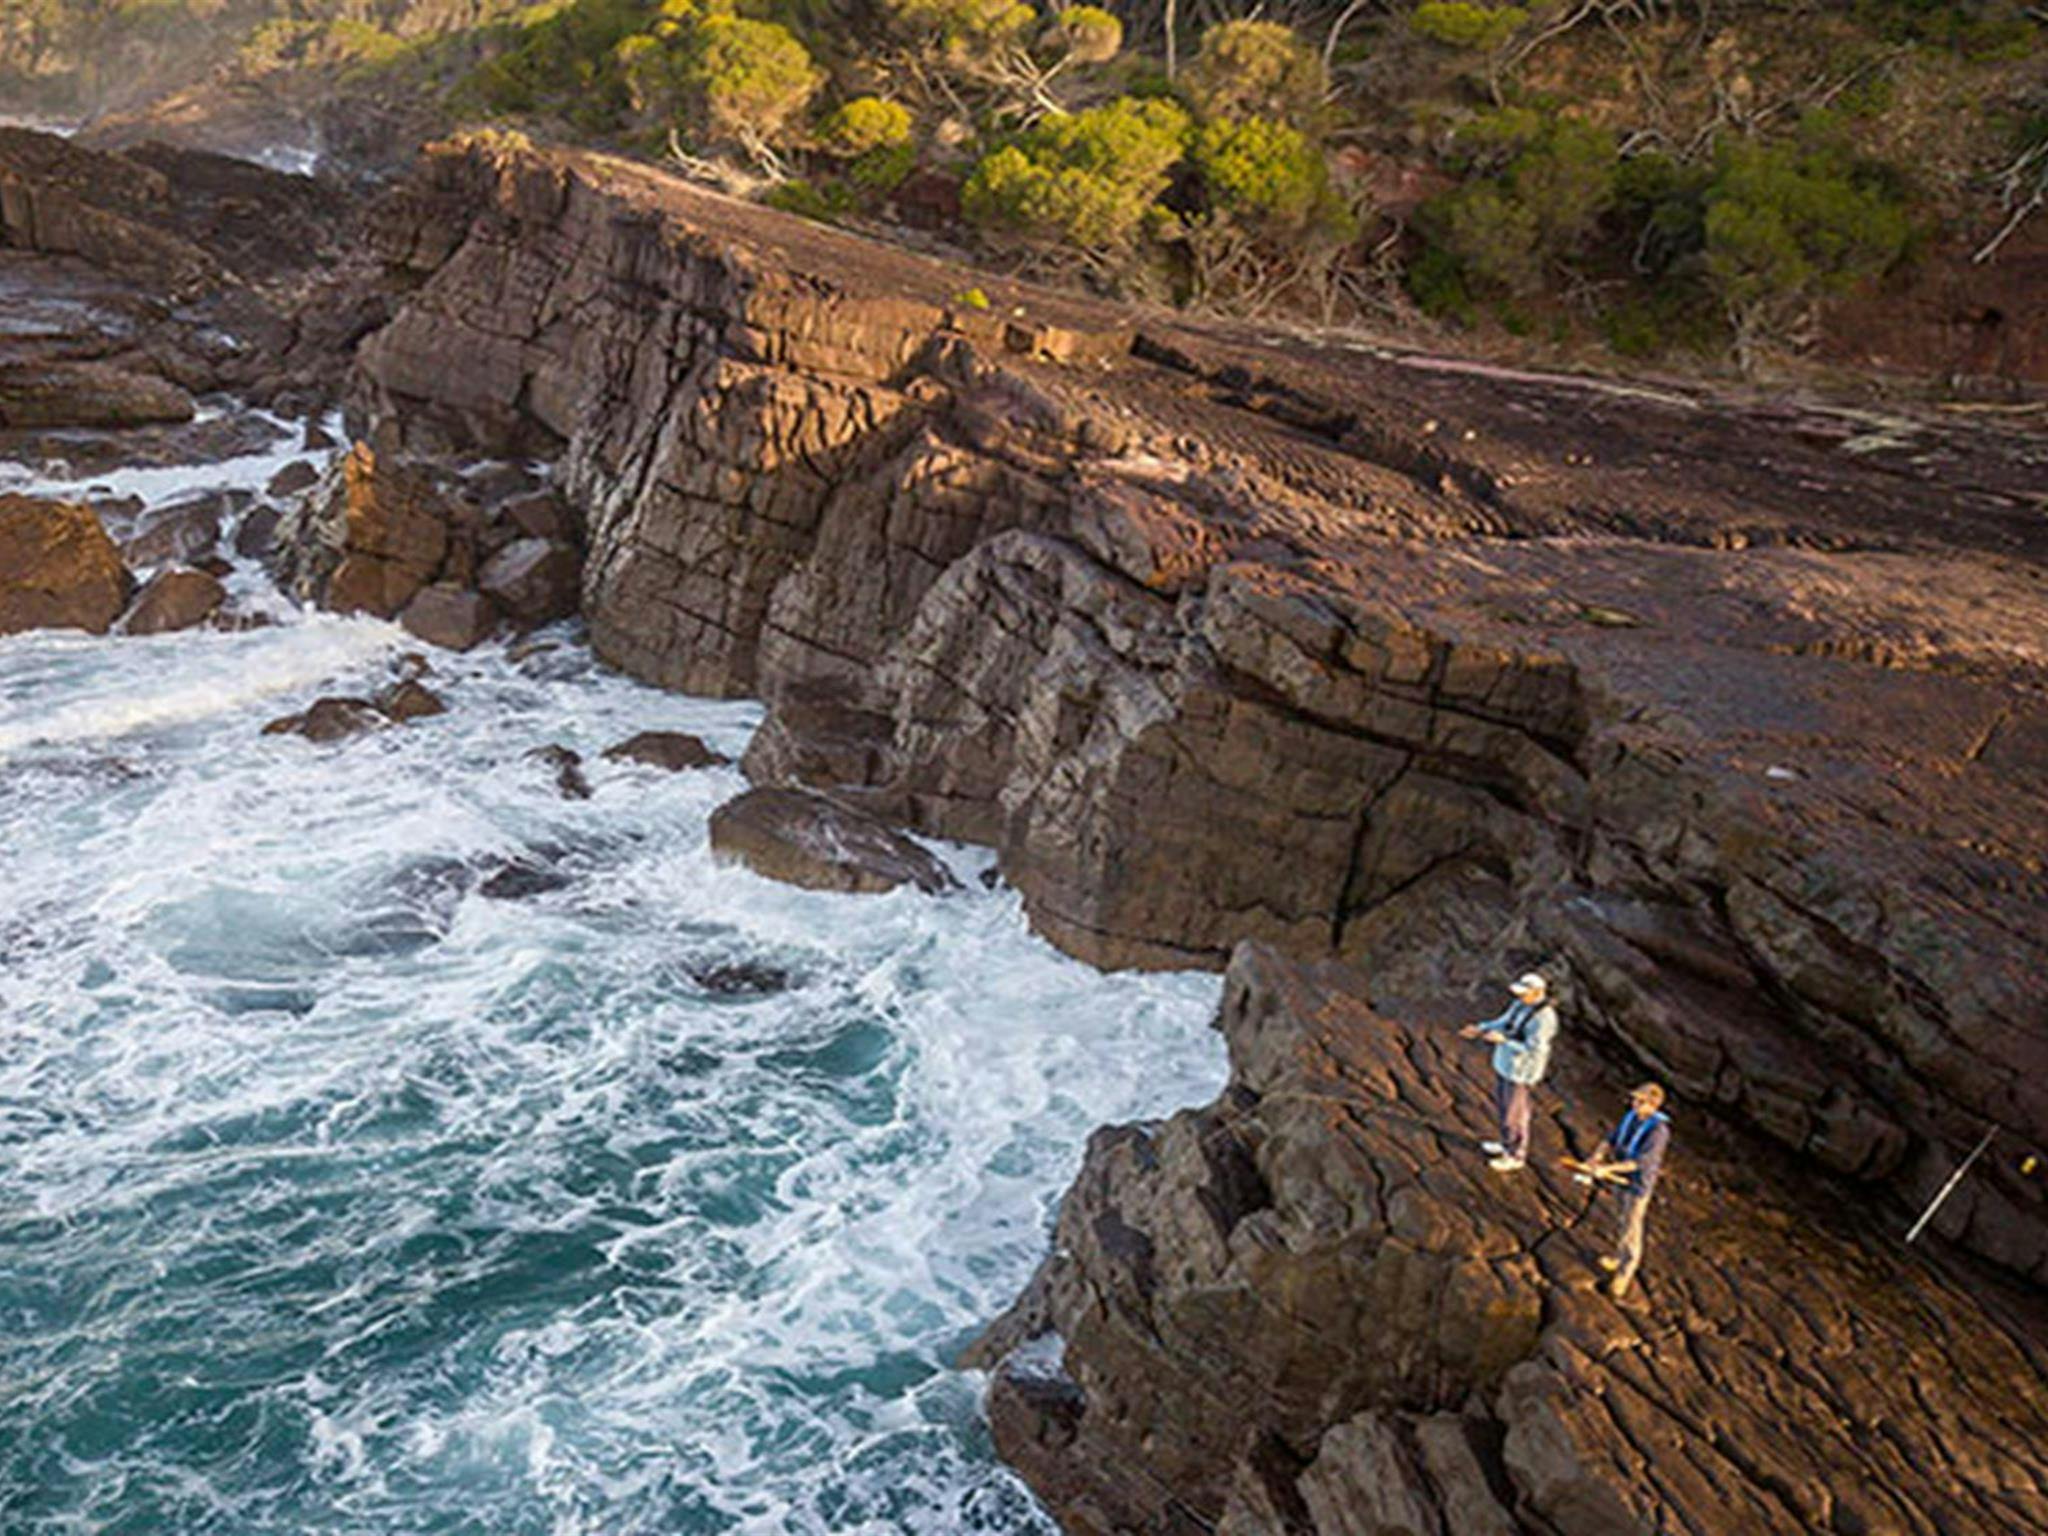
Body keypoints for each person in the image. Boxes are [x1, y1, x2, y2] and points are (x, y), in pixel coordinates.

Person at [1566, 1082, 1672, 1298]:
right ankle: (1618, 1256)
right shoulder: (1631, 1117)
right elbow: (1611, 1139)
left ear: (1653, 1105)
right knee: (1622, 1220)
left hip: (1636, 1184)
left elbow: (1640, 1162)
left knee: (1632, 1229)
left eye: (1640, 1101)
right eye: (1634, 1099)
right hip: (1618, 1179)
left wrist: (1608, 1168)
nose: (1635, 1104)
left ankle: (1624, 1273)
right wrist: (1597, 1156)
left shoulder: (1658, 1131)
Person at [1460, 972, 1558, 1173]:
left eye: (1524, 993)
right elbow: (1503, 1021)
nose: (1520, 997)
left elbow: (1535, 1049)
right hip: (1505, 1065)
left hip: (1521, 1073)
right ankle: (1506, 1144)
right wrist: (1479, 1029)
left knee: (1515, 1114)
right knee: (1505, 1109)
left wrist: (1504, 1041)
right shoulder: (1520, 1004)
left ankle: (1515, 1155)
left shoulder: (1544, 1018)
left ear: (1538, 992)